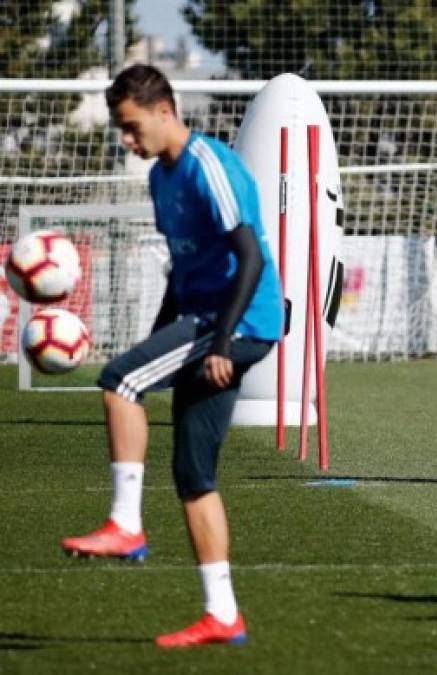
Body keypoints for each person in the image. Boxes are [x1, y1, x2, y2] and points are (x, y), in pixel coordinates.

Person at [60, 64, 283, 648]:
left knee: (118, 383)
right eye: (121, 131)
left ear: (164, 110)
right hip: (208, 320)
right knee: (193, 476)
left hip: (238, 322)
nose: (128, 142)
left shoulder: (209, 166)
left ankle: (127, 524)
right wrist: (161, 340)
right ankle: (222, 614)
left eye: (132, 128)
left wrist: (215, 345)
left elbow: (251, 260)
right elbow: (183, 272)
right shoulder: (160, 178)